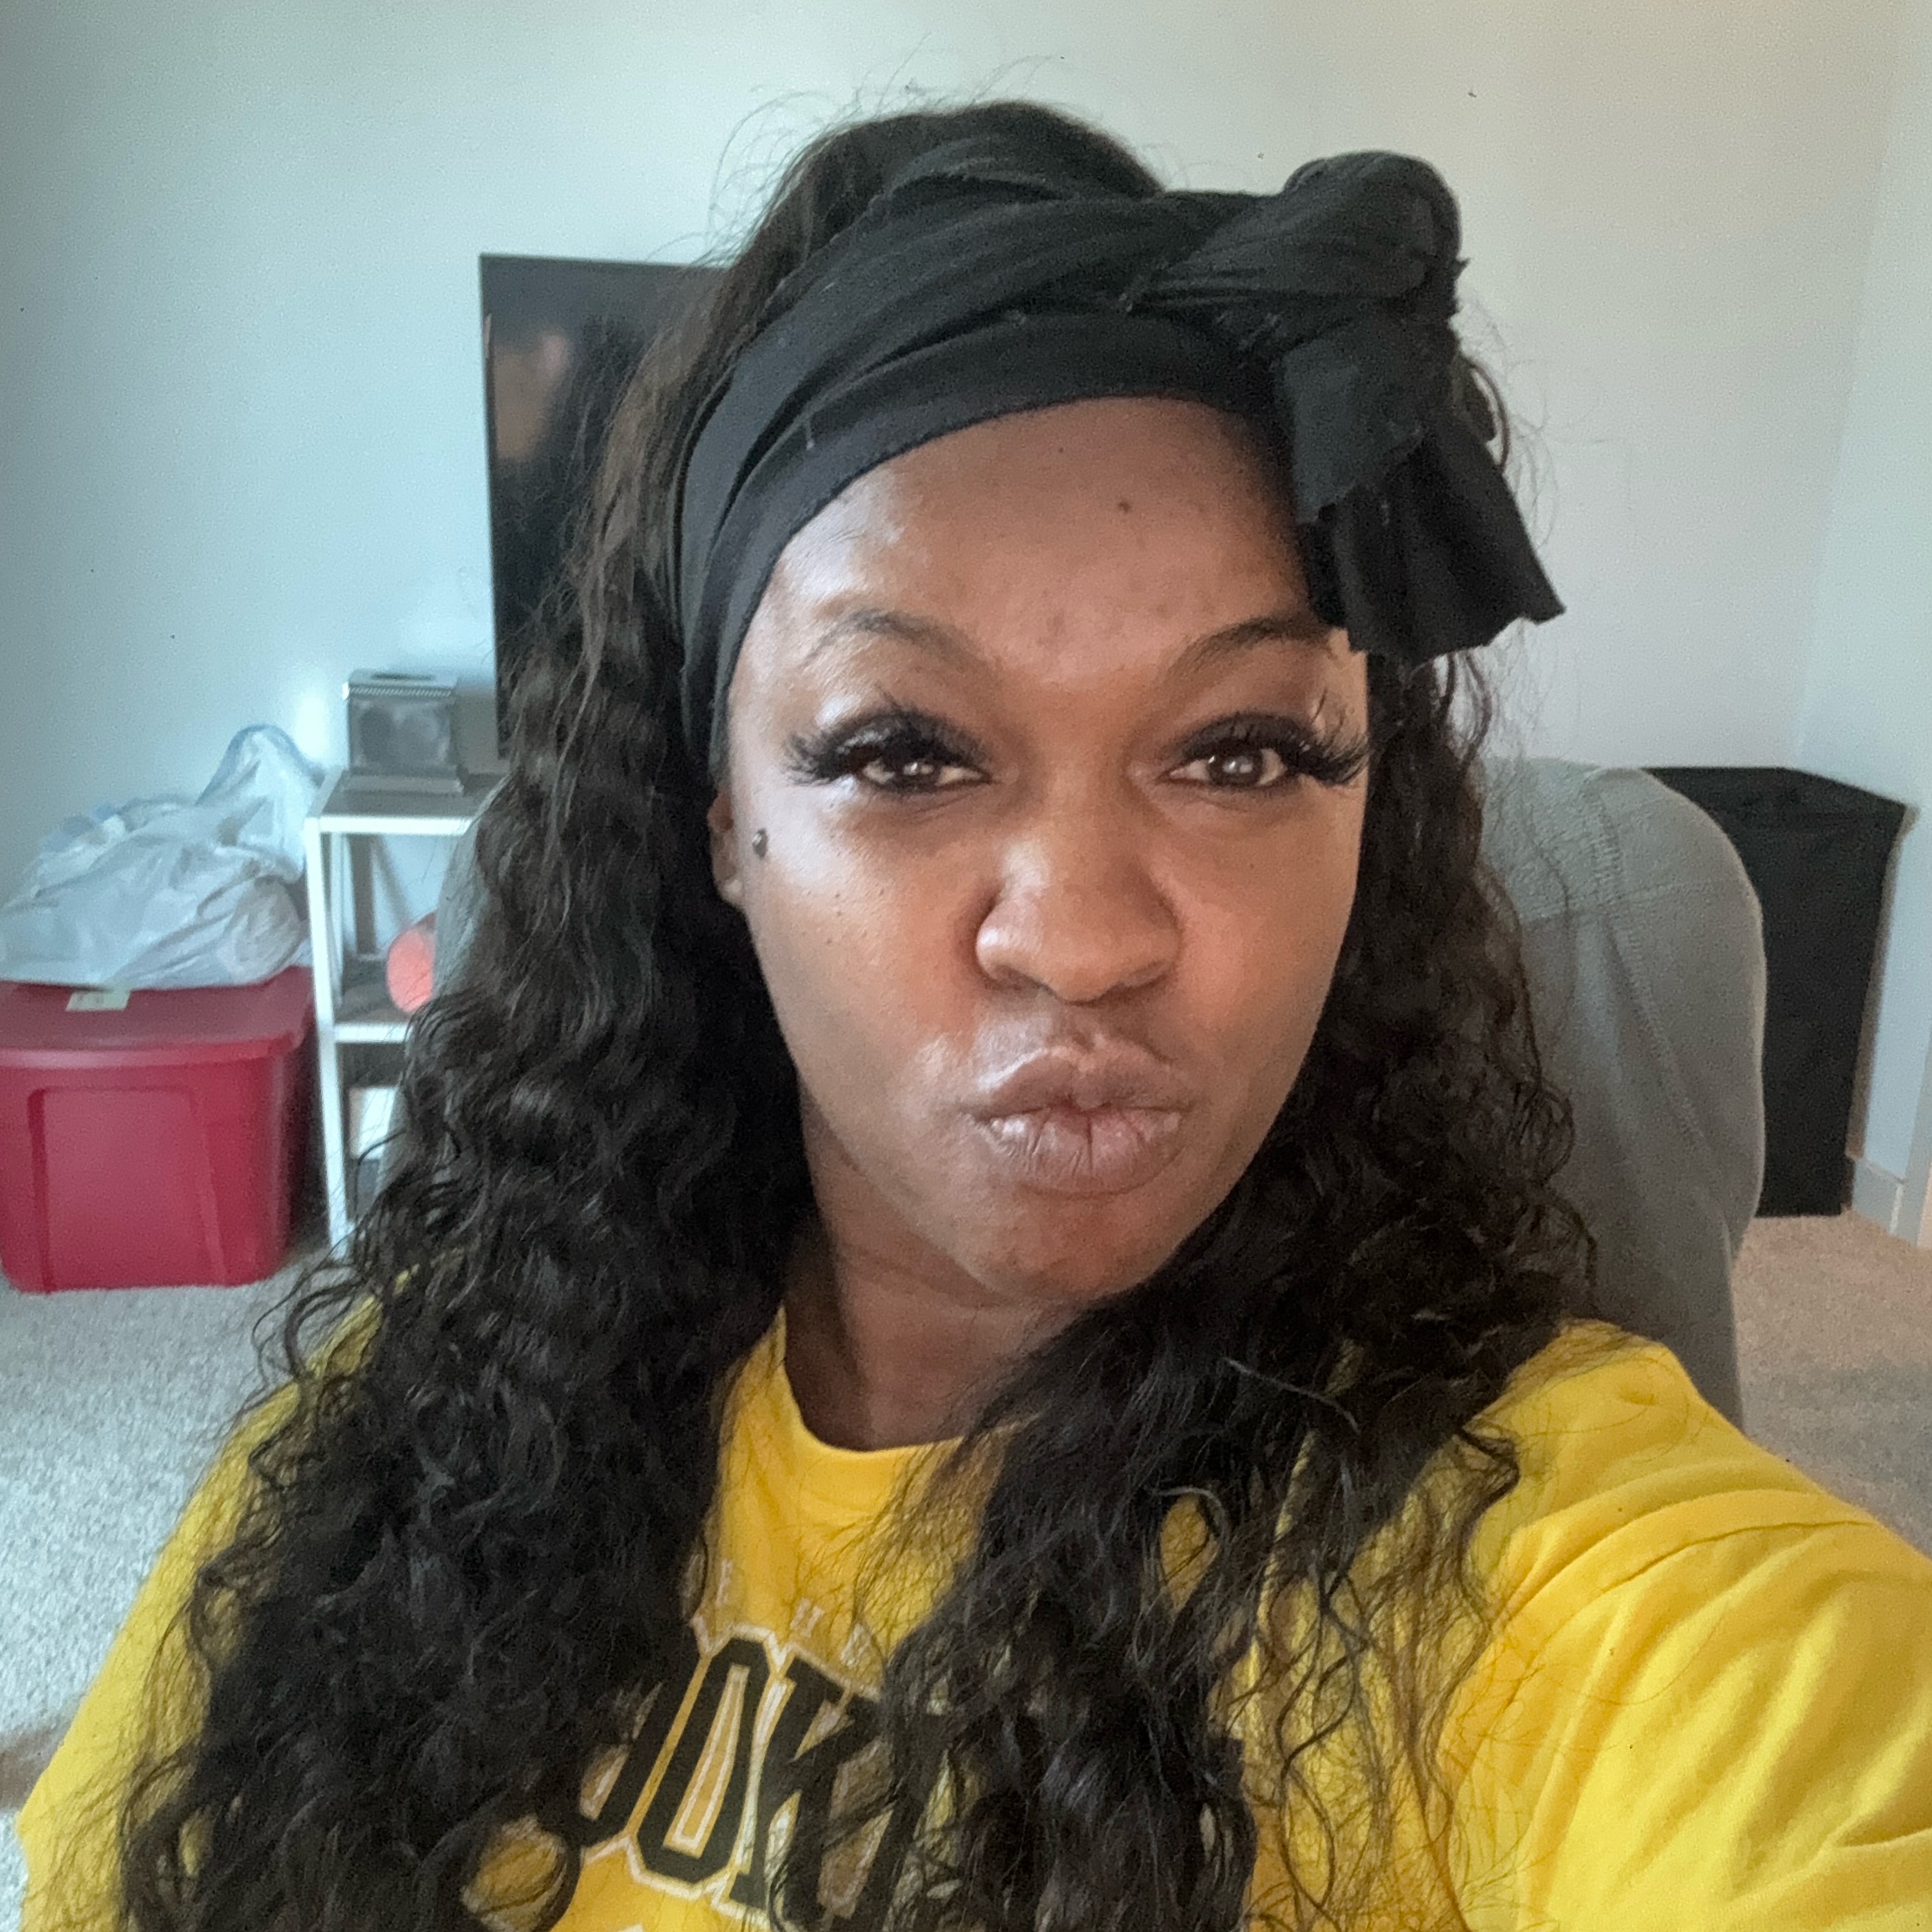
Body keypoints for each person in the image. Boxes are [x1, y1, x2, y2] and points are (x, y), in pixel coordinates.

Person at [20, 102, 1932, 1932]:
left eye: (1243, 751)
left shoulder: (1579, 1586)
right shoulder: (423, 1422)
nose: (1083, 940)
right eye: (902, 752)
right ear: (720, 819)